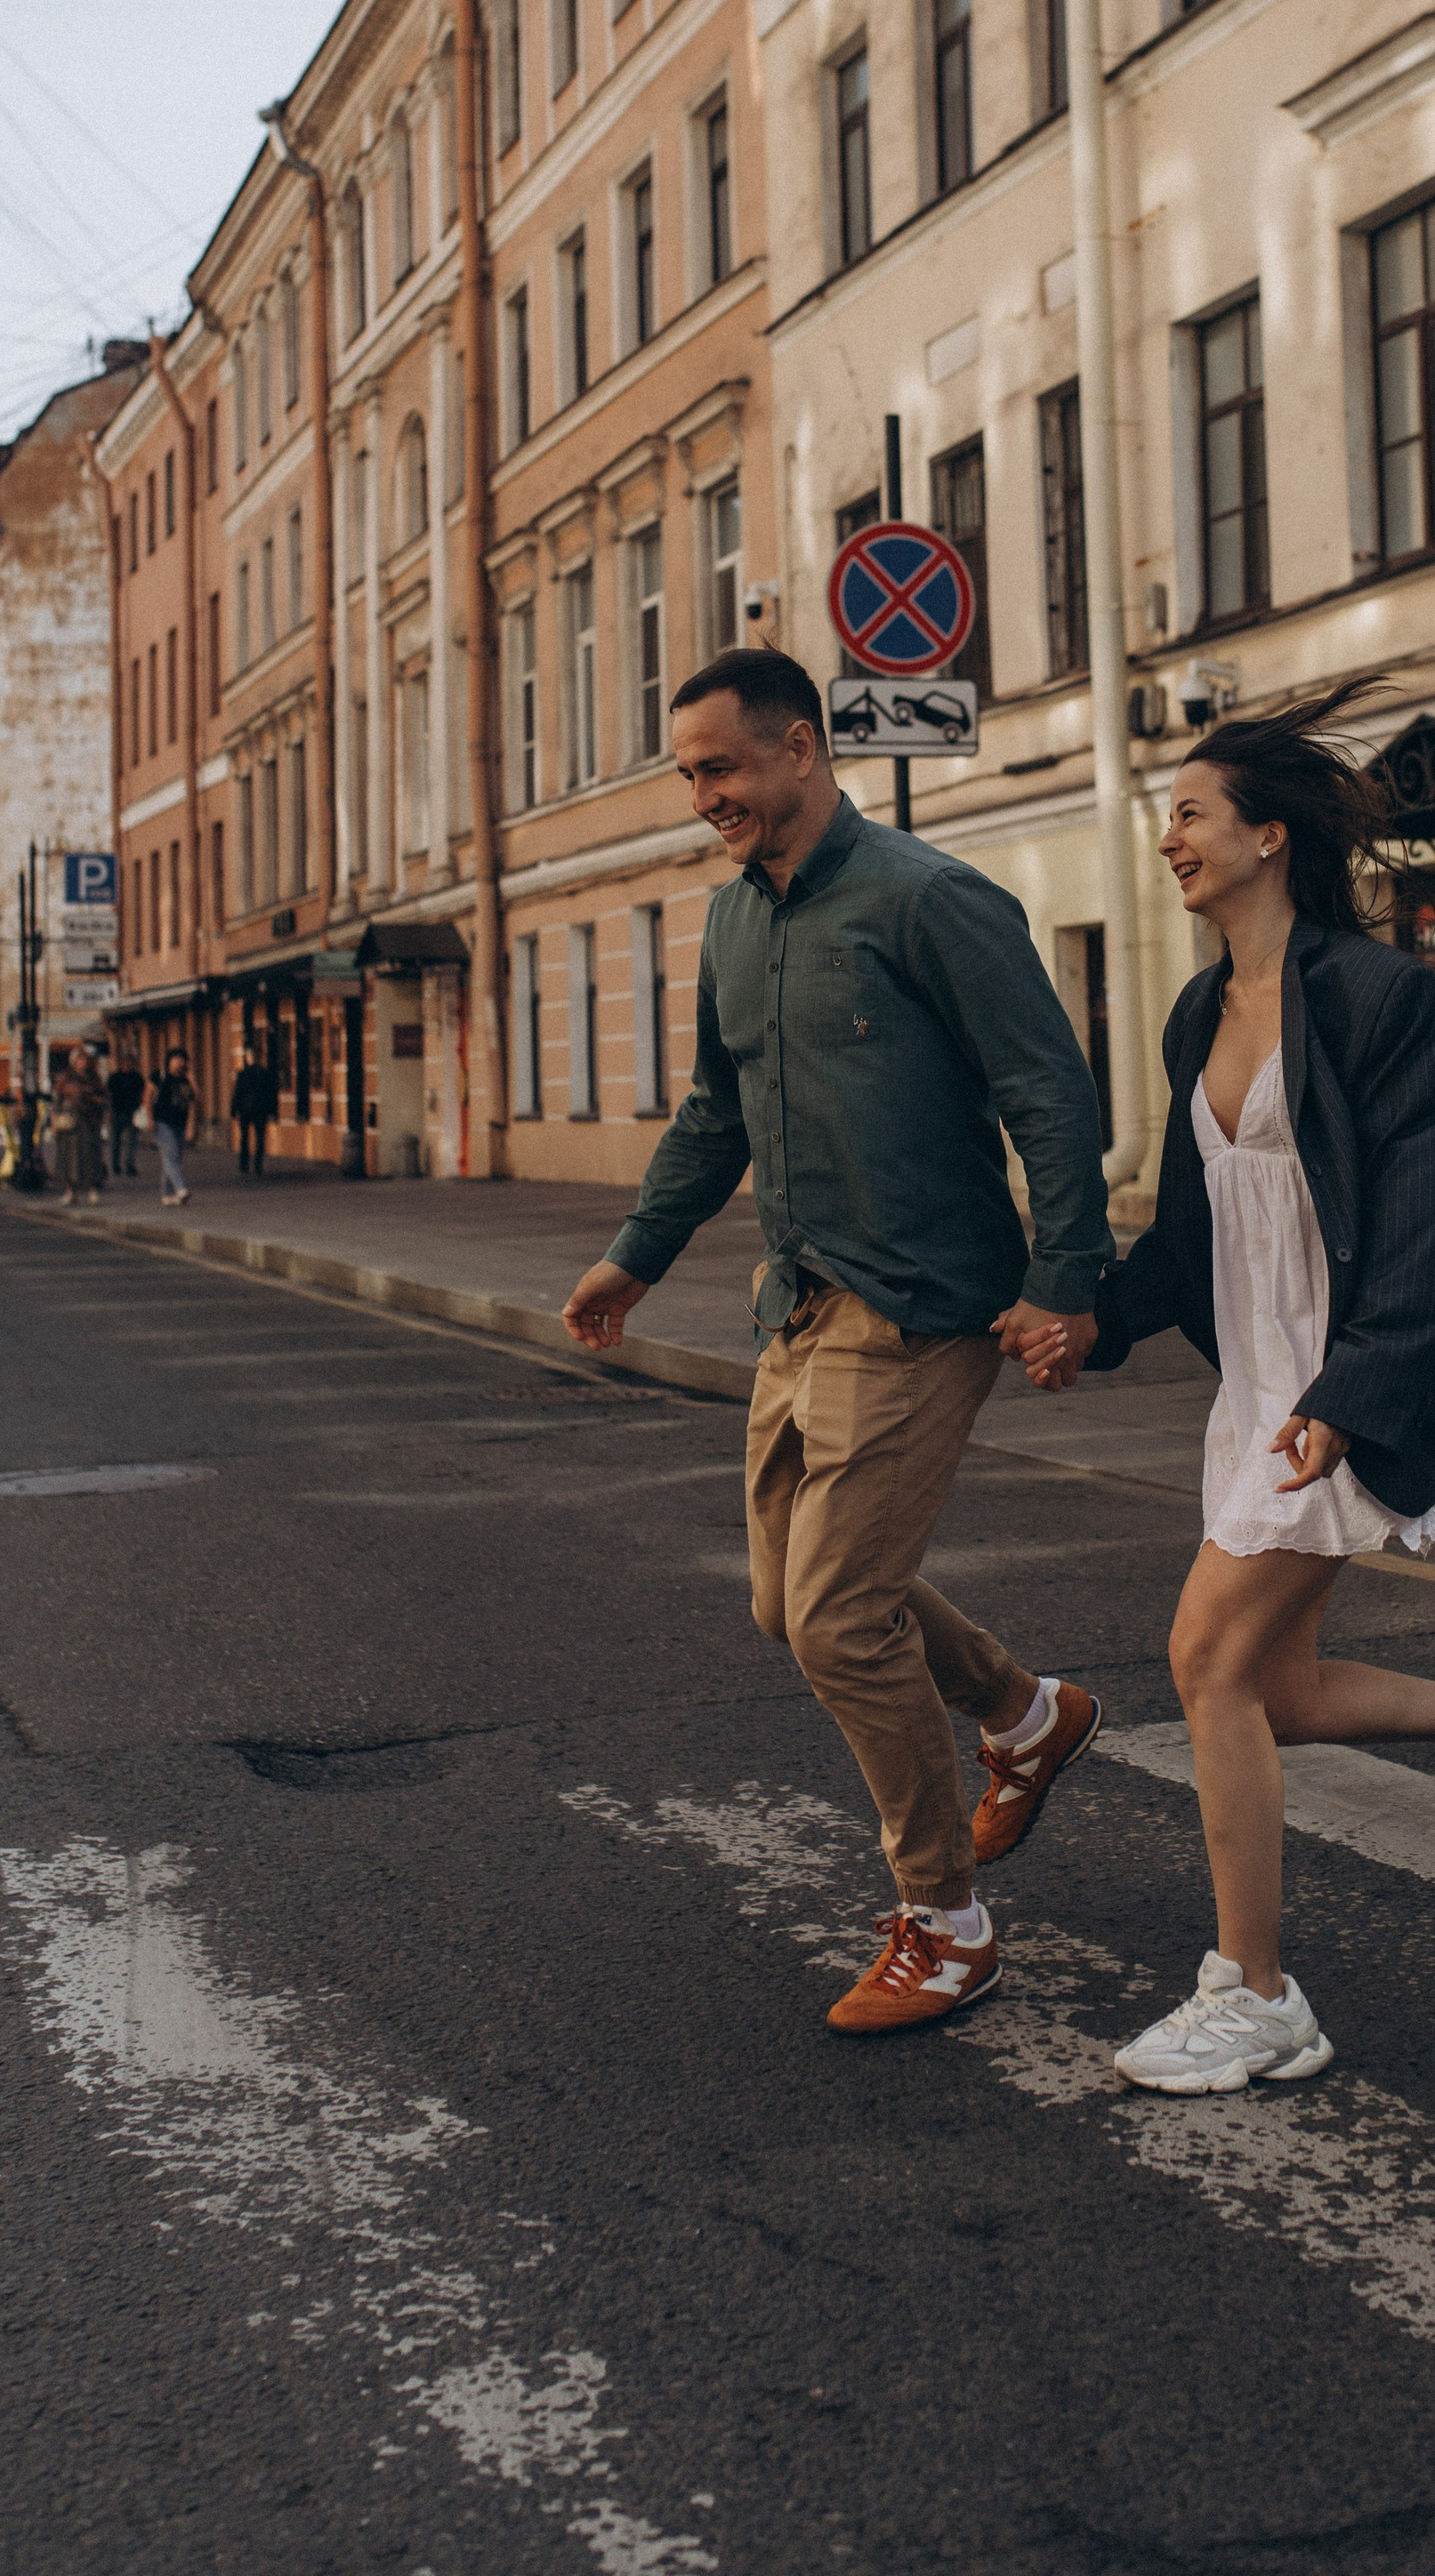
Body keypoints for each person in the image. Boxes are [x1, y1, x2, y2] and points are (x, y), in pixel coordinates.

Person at [1006, 688, 1435, 2097]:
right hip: (1262, 1384)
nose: (1171, 839)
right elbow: (1198, 1232)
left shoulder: (1379, 995)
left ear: (1270, 837)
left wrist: (1350, 1389)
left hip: (1347, 1381)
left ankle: (1254, 1992)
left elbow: (1414, 1218)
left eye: (1193, 815)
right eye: (1170, 820)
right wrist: (1094, 1322)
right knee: (1273, 1686)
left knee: (1205, 1661)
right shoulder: (1197, 1012)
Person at [563, 646, 1112, 2039]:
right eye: (690, 775)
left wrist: (1064, 1281)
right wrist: (635, 1255)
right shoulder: (733, 924)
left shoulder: (932, 902)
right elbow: (713, 1113)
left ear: (803, 748)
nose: (707, 798)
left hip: (927, 1305)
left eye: (724, 768)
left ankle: (946, 1923)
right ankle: (1027, 1714)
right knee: (784, 1604)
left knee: (835, 1615)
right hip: (799, 1307)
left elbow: (1047, 1092)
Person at [52, 1044, 107, 1209]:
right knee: (68, 1158)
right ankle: (70, 1192)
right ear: (74, 1061)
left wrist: (95, 1101)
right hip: (69, 1124)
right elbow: (56, 1103)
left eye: (85, 1059)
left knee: (91, 1157)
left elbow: (103, 1098)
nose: (83, 1062)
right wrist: (54, 1124)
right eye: (79, 1059)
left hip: (89, 1122)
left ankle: (92, 1191)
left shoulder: (94, 1078)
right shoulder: (65, 1079)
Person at [150, 1048, 197, 1206]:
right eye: (176, 1059)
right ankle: (181, 1188)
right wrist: (150, 1119)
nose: (179, 1062)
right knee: (171, 1154)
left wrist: (192, 1079)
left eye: (182, 1059)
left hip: (180, 1123)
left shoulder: (185, 1079)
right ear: (169, 1061)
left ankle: (166, 1194)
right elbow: (147, 1096)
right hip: (162, 1122)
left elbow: (196, 1100)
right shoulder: (159, 1076)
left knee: (173, 1157)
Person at [230, 1042, 274, 1176]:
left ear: (248, 1058)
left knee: (244, 1137)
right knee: (260, 1138)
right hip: (261, 1110)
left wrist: (234, 1110)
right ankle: (258, 1164)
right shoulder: (265, 1073)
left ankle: (244, 1164)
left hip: (245, 1110)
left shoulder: (243, 1074)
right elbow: (270, 1093)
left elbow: (237, 1093)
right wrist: (271, 1111)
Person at [108, 1053, 146, 1179]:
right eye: (126, 1063)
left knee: (132, 1141)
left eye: (130, 1063)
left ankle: (129, 1164)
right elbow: (108, 1094)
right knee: (115, 1141)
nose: (128, 1065)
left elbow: (142, 1093)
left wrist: (141, 1107)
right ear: (122, 1063)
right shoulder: (115, 1077)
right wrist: (108, 1111)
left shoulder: (137, 1077)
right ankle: (115, 1165)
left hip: (132, 1112)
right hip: (116, 1112)